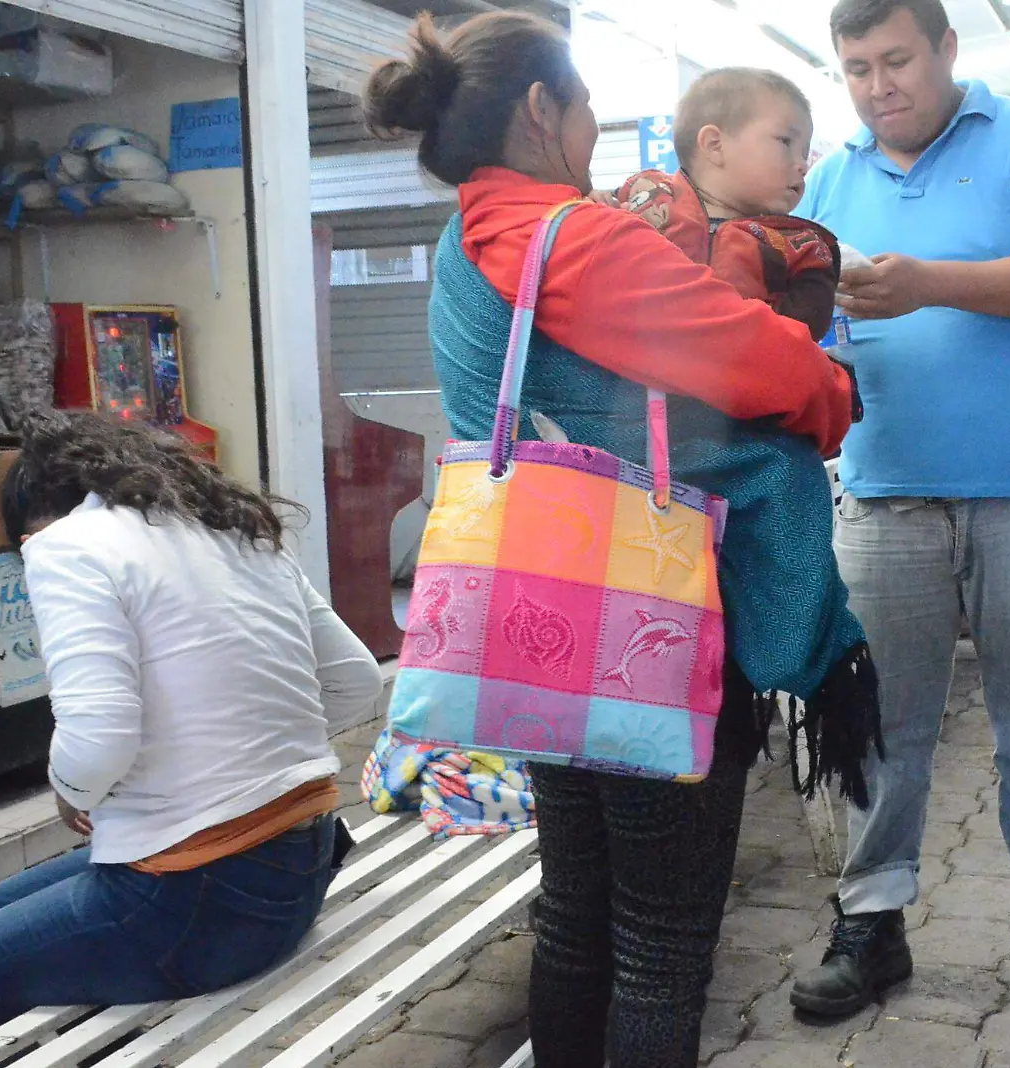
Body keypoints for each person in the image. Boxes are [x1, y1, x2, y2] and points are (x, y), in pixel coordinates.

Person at [361, 14, 874, 1066]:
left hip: (537, 630)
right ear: (541, 109)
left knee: (577, 916)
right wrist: (832, 387)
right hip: (649, 625)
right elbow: (763, 368)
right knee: (660, 944)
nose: (597, 128)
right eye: (586, 104)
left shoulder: (467, 239)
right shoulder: (571, 237)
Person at [788, 0, 1010, 1047]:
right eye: (855, 68)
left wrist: (925, 285)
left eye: (896, 60)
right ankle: (873, 923)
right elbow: (808, 322)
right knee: (882, 733)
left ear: (946, 52)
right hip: (884, 491)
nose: (879, 84)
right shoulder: (829, 181)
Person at [0, 412, 383, 1053]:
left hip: (202, 909)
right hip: (303, 866)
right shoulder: (235, 531)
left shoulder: (66, 546)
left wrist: (75, 792)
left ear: (37, 520)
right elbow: (357, 681)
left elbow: (97, 744)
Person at [607, 67, 882, 762]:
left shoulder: (801, 244)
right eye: (785, 140)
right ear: (713, 142)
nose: (801, 162)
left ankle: (798, 652)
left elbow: (791, 336)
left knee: (790, 497)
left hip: (750, 441)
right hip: (640, 457)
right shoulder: (633, 209)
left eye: (807, 145)